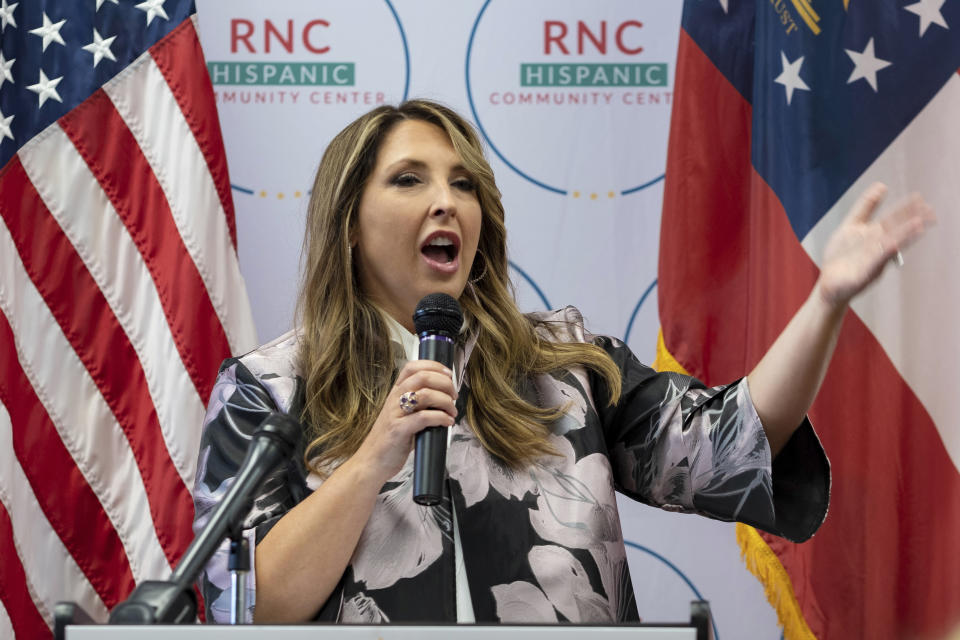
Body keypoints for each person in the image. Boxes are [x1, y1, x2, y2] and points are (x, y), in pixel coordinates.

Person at [192, 100, 934, 624]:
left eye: (464, 182)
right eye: (410, 179)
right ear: (348, 221)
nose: (447, 201)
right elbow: (250, 606)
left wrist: (825, 302)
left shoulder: (565, 368)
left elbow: (731, 444)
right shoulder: (267, 391)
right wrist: (372, 457)